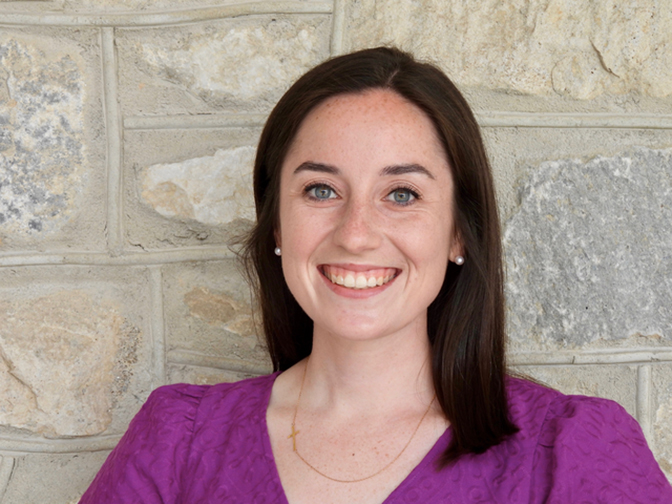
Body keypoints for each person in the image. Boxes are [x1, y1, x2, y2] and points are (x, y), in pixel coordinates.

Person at [80, 47, 672, 503]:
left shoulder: (570, 452)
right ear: (277, 225)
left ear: (459, 233)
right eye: (320, 190)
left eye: (402, 193)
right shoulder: (177, 441)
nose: (356, 232)